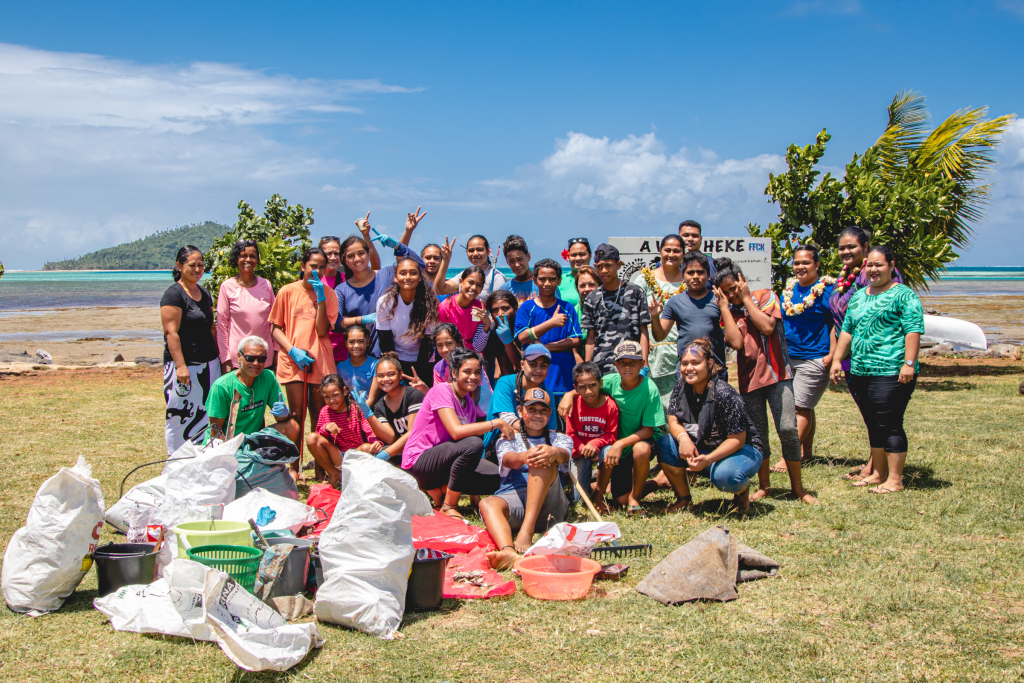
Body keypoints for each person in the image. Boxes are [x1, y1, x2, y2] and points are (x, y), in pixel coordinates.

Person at [714, 259, 816, 505]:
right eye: (725, 291)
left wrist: (748, 299)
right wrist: (726, 309)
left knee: (788, 429)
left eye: (734, 287)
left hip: (778, 375)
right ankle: (765, 486)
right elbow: (736, 343)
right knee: (758, 434)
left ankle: (798, 488)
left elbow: (768, 327)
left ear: (742, 281)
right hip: (750, 381)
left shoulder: (766, 295)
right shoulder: (727, 312)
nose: (732, 294)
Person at [831, 244, 923, 495]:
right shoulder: (860, 296)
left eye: (879, 264)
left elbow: (913, 330)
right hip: (860, 371)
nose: (873, 269)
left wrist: (909, 364)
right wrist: (838, 360)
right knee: (873, 423)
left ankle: (895, 479)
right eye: (869, 265)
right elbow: (847, 330)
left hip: (892, 371)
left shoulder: (904, 295)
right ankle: (878, 473)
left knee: (889, 422)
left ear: (891, 266)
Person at [402, 348, 515, 518]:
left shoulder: (468, 403)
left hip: (444, 464)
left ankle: (441, 490)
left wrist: (474, 493)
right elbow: (456, 432)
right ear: (454, 373)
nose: (473, 377)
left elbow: (464, 448)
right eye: (467, 371)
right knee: (474, 443)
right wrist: (497, 423)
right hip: (420, 462)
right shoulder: (442, 391)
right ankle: (449, 506)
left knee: (499, 479)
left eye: (477, 372)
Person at [657, 338, 765, 512]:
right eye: (684, 363)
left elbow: (737, 440)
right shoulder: (681, 386)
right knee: (665, 443)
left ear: (710, 363)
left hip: (741, 449)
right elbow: (673, 420)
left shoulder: (724, 393)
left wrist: (708, 459)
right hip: (703, 447)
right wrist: (684, 438)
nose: (689, 368)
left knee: (727, 477)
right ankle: (683, 499)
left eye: (695, 363)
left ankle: (742, 492)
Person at [558, 341, 663, 516]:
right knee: (619, 499)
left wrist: (619, 444)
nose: (627, 367)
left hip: (636, 441)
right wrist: (569, 395)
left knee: (641, 449)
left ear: (642, 363)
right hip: (616, 446)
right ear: (616, 365)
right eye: (622, 362)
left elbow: (648, 431)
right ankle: (655, 483)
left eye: (633, 362)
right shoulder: (609, 381)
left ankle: (634, 498)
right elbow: (586, 385)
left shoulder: (650, 389)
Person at [482, 388, 572, 569]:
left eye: (543, 410)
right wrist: (523, 456)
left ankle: (526, 531)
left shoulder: (559, 439)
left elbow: (564, 456)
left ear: (550, 415)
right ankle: (508, 551)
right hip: (516, 500)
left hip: (549, 507)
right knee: (487, 504)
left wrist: (553, 452)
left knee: (542, 458)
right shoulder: (508, 439)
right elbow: (508, 460)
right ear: (520, 411)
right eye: (531, 409)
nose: (537, 415)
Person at [269, 247, 339, 478]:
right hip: (292, 359)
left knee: (319, 414)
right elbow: (275, 329)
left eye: (322, 267)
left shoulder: (329, 295)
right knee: (296, 414)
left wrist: (320, 299)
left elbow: (321, 330)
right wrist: (292, 351)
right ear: (302, 266)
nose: (317, 271)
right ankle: (293, 466)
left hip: (320, 359)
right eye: (312, 266)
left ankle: (320, 468)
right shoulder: (287, 291)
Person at [333, 209, 424, 355]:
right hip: (360, 358)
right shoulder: (341, 290)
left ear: (369, 253)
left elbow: (419, 267)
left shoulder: (387, 274)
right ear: (344, 261)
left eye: (361, 253)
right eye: (351, 256)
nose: (357, 259)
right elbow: (336, 323)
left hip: (393, 355)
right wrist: (364, 319)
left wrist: (397, 245)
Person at [778, 243, 836, 471]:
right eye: (796, 262)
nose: (800, 267)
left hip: (815, 357)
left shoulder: (827, 291)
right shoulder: (790, 290)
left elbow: (837, 323)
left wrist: (831, 355)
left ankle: (788, 457)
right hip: (789, 357)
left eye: (806, 262)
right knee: (805, 406)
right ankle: (806, 452)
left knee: (799, 408)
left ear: (817, 264)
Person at [160, 245, 220, 454]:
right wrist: (180, 366)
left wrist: (218, 360)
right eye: (192, 265)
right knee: (179, 414)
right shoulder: (173, 295)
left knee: (206, 413)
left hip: (209, 365)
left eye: (201, 265)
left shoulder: (204, 293)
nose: (197, 269)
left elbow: (211, 328)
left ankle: (200, 457)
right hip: (185, 367)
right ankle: (175, 459)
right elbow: (171, 333)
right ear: (179, 265)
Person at [514, 258, 582, 410]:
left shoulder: (567, 308)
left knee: (563, 425)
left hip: (564, 376)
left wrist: (544, 347)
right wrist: (551, 323)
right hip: (535, 377)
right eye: (542, 279)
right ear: (535, 280)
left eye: (552, 279)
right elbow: (522, 337)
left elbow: (576, 340)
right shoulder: (526, 307)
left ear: (559, 281)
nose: (547, 283)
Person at [207, 336, 299, 443]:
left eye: (261, 359)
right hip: (227, 444)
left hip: (252, 440)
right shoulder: (221, 386)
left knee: (292, 428)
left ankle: (262, 458)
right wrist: (232, 454)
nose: (256, 363)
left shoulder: (268, 377)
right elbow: (215, 433)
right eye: (250, 358)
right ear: (239, 356)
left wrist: (283, 414)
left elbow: (281, 420)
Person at [633, 234, 686, 411]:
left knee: (675, 407)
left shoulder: (689, 281)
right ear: (660, 252)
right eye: (667, 250)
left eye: (676, 251)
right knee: (649, 407)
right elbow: (636, 319)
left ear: (683, 254)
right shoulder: (644, 280)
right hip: (649, 351)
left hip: (678, 354)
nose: (671, 254)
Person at [580, 243, 651, 375]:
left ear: (618, 265)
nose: (604, 270)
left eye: (608, 265)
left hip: (631, 365)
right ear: (595, 267)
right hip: (601, 367)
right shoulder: (592, 298)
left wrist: (644, 363)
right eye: (600, 266)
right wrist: (588, 368)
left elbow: (643, 331)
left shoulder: (635, 292)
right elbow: (590, 338)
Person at [650, 250, 726, 372]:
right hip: (686, 371)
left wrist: (724, 308)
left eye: (700, 272)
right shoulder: (674, 302)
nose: (695, 276)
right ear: (683, 277)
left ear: (708, 275)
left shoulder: (718, 299)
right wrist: (655, 317)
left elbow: (735, 340)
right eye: (690, 272)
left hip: (715, 369)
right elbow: (659, 336)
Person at [306, 374, 382, 487]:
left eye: (335, 395)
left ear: (344, 391)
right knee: (311, 438)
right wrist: (326, 428)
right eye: (326, 397)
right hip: (337, 456)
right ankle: (334, 474)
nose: (331, 400)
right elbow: (318, 437)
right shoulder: (325, 411)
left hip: (356, 455)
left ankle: (354, 477)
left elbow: (369, 429)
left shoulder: (356, 409)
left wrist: (376, 441)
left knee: (367, 448)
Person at [563, 362, 619, 510]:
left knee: (608, 452)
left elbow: (611, 435)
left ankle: (600, 490)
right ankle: (590, 479)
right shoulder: (573, 404)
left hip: (600, 450)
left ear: (600, 383)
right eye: (582, 387)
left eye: (592, 385)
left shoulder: (610, 406)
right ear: (575, 388)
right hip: (580, 452)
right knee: (578, 500)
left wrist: (595, 444)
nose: (588, 391)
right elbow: (570, 434)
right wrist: (582, 447)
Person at [376, 256, 440, 385]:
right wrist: (397, 369)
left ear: (420, 277)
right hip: (396, 358)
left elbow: (428, 343)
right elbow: (385, 340)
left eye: (413, 273)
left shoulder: (430, 303)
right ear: (395, 277)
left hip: (423, 360)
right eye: (403, 273)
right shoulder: (385, 302)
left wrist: (418, 373)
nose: (408, 277)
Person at [216, 239, 277, 373]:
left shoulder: (265, 285)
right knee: (238, 394)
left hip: (264, 358)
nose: (248, 260)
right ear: (236, 258)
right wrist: (225, 359)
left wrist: (276, 352)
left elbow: (274, 322)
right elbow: (221, 326)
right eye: (243, 255)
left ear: (257, 259)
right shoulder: (227, 287)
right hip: (238, 359)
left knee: (263, 394)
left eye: (252, 256)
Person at [486, 344, 559, 451]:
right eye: (533, 364)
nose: (538, 370)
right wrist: (534, 432)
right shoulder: (506, 383)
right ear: (522, 365)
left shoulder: (548, 393)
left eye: (543, 366)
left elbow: (551, 429)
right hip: (500, 442)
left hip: (535, 442)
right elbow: (507, 419)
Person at [363, 352, 424, 465]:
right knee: (368, 451)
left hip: (422, 448)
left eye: (391, 374)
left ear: (400, 374)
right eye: (380, 376)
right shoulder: (379, 406)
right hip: (402, 450)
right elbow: (390, 438)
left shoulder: (414, 395)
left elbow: (413, 433)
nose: (386, 379)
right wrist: (367, 414)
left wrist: (387, 453)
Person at [433, 234, 507, 299]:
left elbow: (500, 306)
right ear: (466, 252)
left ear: (488, 251)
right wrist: (445, 260)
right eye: (471, 250)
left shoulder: (496, 277)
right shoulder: (465, 274)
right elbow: (439, 290)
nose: (475, 253)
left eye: (479, 249)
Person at [437, 266, 491, 352]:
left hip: (473, 355)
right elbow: (444, 343)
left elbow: (478, 347)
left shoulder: (479, 308)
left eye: (479, 285)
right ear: (461, 282)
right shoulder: (445, 307)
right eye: (470, 282)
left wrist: (487, 324)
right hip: (452, 354)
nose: (473, 288)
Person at [318, 235, 353, 364]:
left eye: (336, 253)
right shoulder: (313, 282)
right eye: (328, 254)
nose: (333, 257)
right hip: (320, 348)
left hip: (346, 349)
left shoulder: (349, 279)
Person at [335, 323, 379, 407]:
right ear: (346, 343)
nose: (356, 345)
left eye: (361, 341)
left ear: (368, 342)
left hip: (369, 413)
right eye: (352, 342)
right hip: (349, 412)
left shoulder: (375, 365)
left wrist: (358, 415)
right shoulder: (341, 367)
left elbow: (372, 400)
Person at [482, 290, 521, 383]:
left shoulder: (523, 328)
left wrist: (508, 340)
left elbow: (522, 366)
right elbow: (506, 370)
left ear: (515, 309)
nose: (500, 314)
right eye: (495, 310)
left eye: (505, 308)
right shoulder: (493, 331)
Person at [497, 234, 539, 303]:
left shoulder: (544, 285)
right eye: (511, 261)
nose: (516, 265)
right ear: (507, 262)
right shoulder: (504, 290)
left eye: (520, 259)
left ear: (528, 256)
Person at [558, 237, 592, 316]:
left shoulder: (599, 279)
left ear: (590, 256)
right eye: (573, 255)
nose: (578, 258)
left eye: (582, 254)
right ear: (567, 257)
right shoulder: (559, 281)